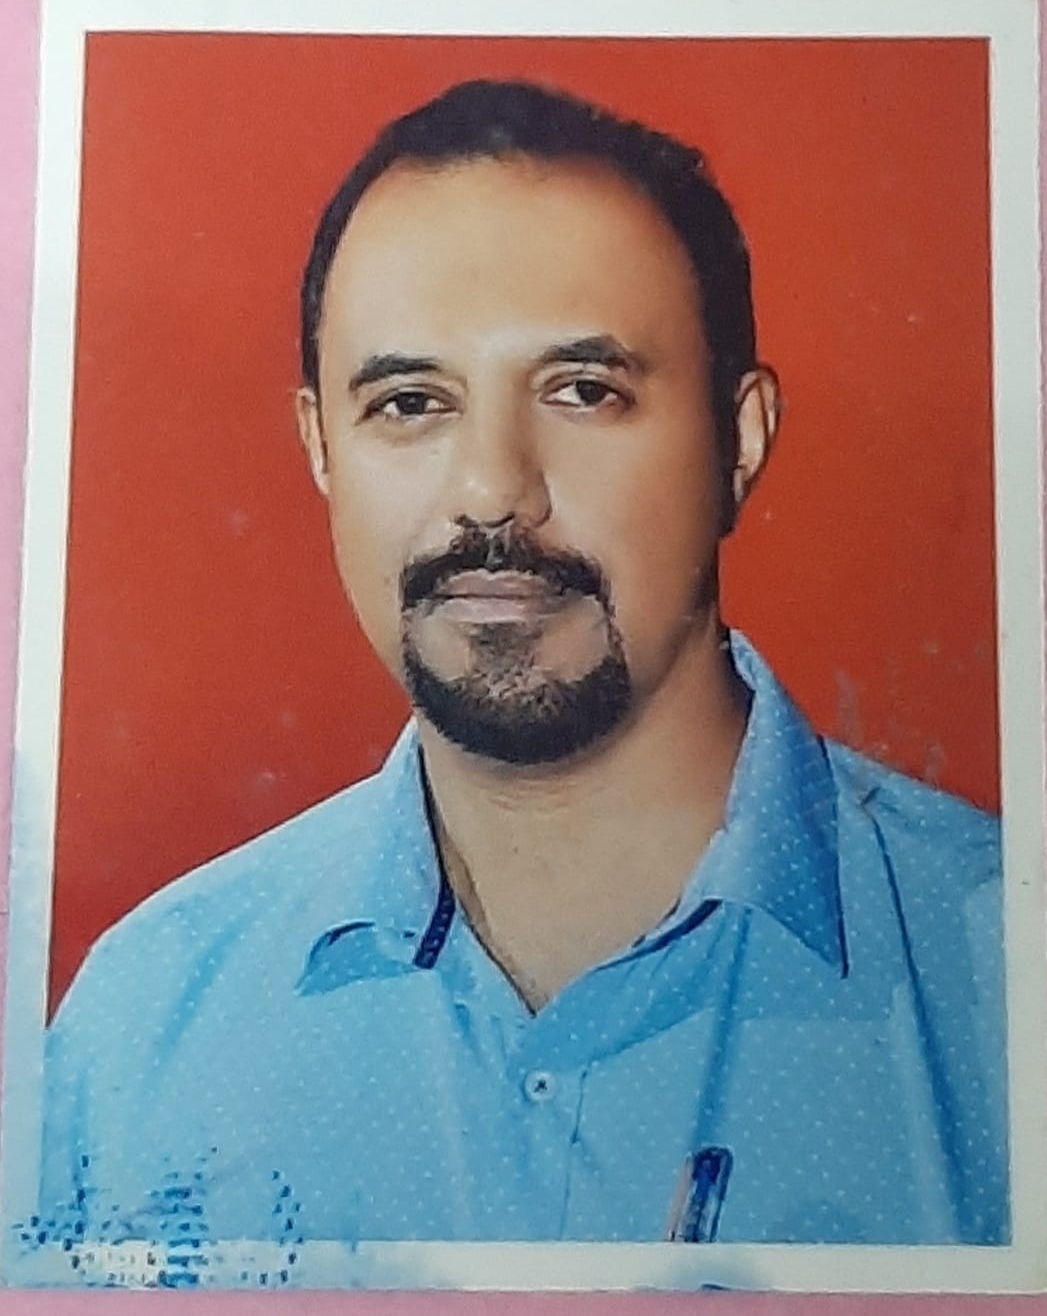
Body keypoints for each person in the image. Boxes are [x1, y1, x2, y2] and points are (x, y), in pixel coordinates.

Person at [39, 79, 1007, 1250]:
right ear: (320, 449)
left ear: (738, 441)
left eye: (583, 391)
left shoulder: (1006, 984)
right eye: (410, 402)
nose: (492, 488)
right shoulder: (142, 1031)